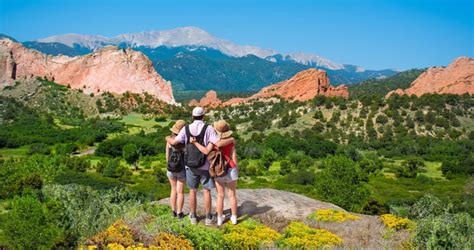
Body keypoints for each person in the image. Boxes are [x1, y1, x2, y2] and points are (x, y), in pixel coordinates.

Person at [165, 107, 218, 225]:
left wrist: (167, 138)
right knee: (206, 191)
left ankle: (193, 216)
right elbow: (216, 142)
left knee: (192, 191)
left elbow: (174, 142)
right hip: (205, 165)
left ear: (192, 116)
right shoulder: (208, 128)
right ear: (203, 116)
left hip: (190, 165)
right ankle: (208, 217)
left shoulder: (186, 128)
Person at [191, 120, 238, 226]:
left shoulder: (213, 142)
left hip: (218, 170)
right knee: (232, 195)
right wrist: (236, 169)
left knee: (220, 195)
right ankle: (234, 217)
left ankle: (220, 218)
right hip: (231, 168)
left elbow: (206, 151)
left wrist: (195, 143)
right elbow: (234, 157)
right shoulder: (231, 142)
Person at [165, 120, 186, 219]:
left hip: (171, 168)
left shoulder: (169, 140)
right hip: (181, 168)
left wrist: (169, 165)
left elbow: (167, 155)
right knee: (180, 192)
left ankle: (173, 211)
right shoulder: (185, 141)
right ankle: (179, 213)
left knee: (173, 190)